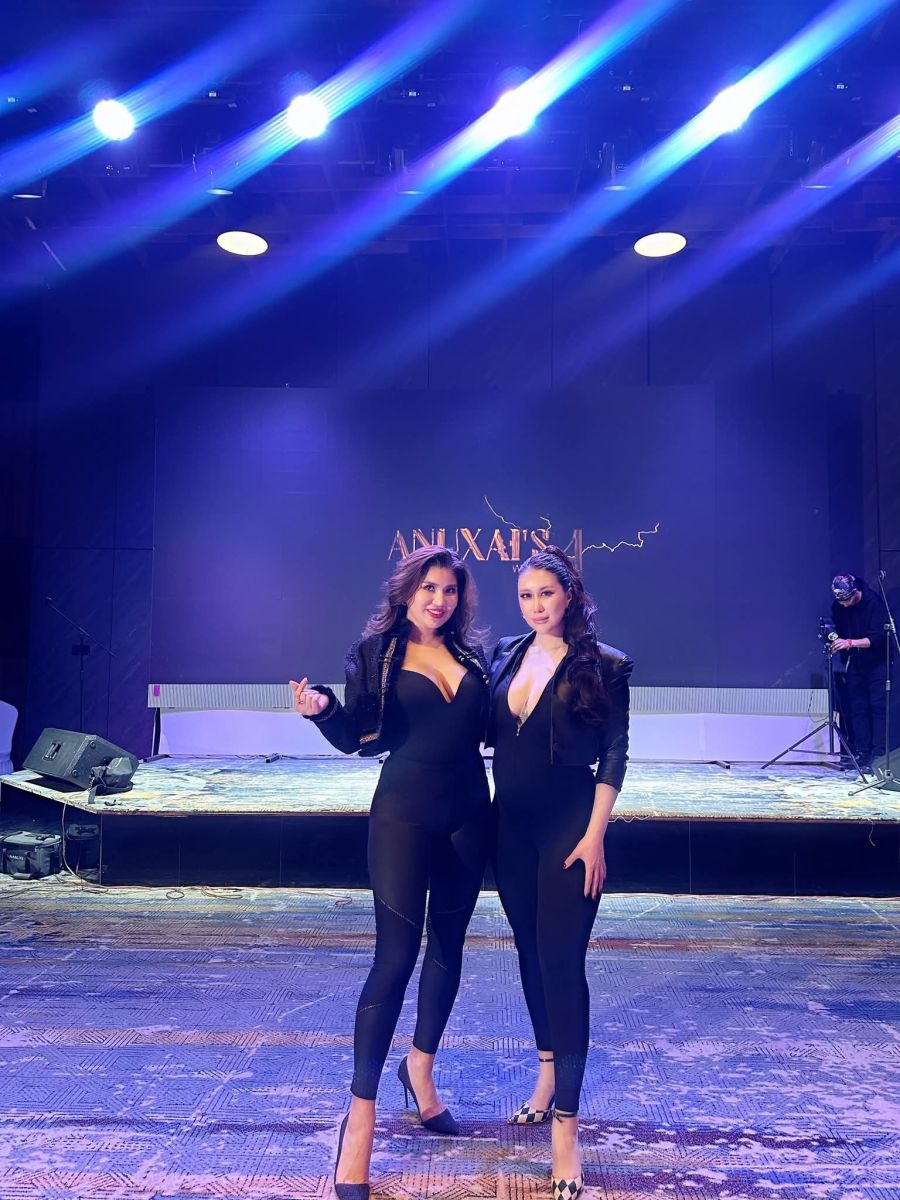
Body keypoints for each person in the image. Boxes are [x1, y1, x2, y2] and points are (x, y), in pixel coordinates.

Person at [289, 546, 491, 1200]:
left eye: (449, 591)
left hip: (470, 815)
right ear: (406, 592)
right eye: (429, 588)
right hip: (403, 814)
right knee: (395, 958)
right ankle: (360, 1119)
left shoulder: (473, 659)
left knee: (449, 948)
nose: (439, 600)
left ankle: (421, 1072)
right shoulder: (376, 655)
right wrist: (322, 712)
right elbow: (355, 738)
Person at [487, 546, 633, 1200]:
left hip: (571, 830)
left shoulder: (605, 665)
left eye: (546, 593)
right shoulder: (505, 655)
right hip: (510, 831)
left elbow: (614, 755)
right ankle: (546, 1075)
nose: (536, 606)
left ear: (569, 594)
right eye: (526, 596)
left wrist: (595, 837)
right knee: (528, 951)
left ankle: (566, 1131)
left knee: (563, 965)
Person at [830, 573, 889, 773]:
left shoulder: (874, 604)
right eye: (841, 601)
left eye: (847, 600)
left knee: (878, 707)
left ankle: (878, 754)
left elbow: (878, 638)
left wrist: (850, 642)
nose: (844, 605)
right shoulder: (839, 606)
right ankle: (861, 753)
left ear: (855, 592)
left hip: (877, 661)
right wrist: (836, 640)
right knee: (857, 707)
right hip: (855, 661)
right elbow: (838, 628)